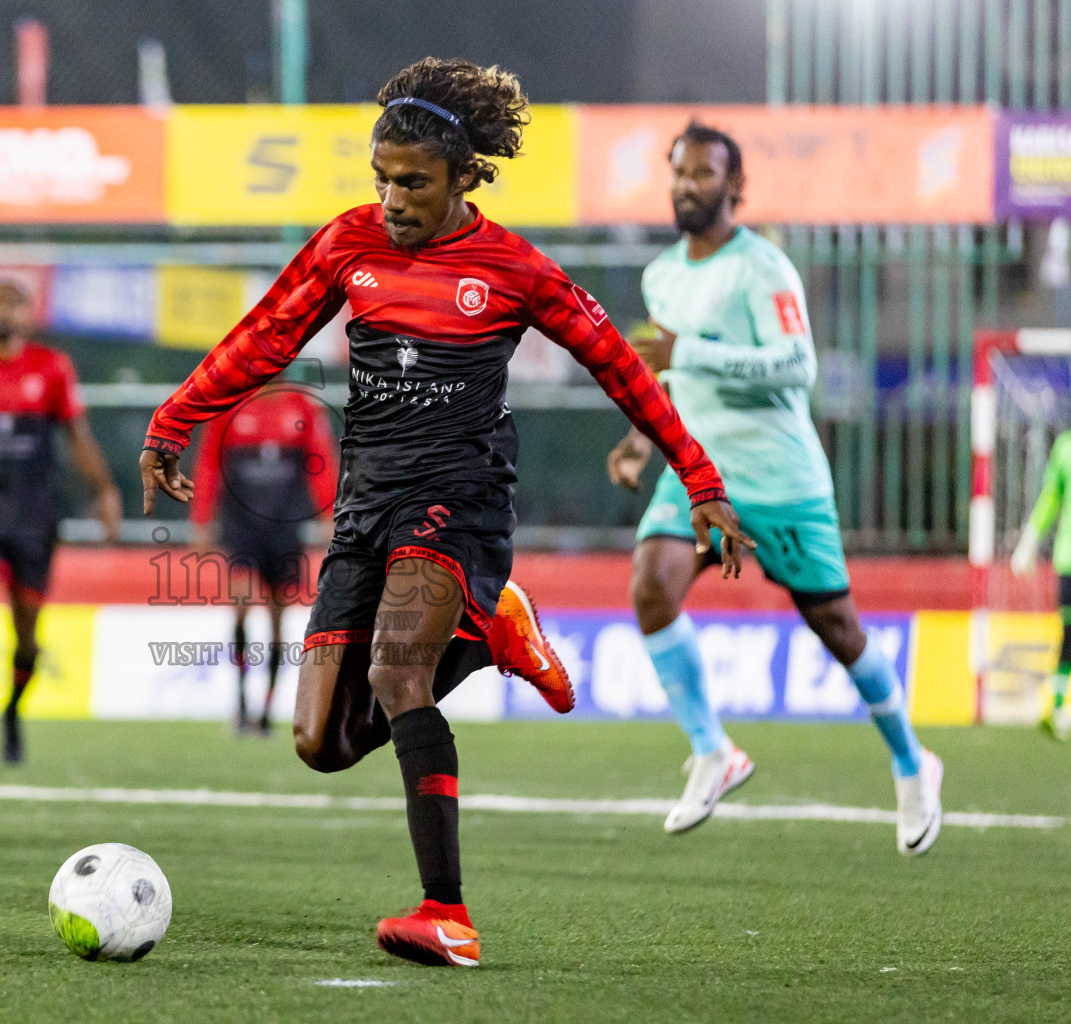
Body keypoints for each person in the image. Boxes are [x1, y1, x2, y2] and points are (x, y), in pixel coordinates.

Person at [140, 58, 747, 967]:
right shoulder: (348, 245)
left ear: (467, 177)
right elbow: (264, 336)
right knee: (321, 742)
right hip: (365, 502)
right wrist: (175, 418)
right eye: (382, 179)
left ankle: (447, 913)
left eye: (413, 183)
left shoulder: (512, 268)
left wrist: (700, 478)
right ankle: (495, 631)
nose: (392, 199)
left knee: (395, 676)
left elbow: (619, 363)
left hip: (457, 496)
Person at [606, 121, 942, 854]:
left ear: (736, 186)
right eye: (679, 172)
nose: (687, 184)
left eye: (703, 173)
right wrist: (640, 439)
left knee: (838, 629)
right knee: (650, 584)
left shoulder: (764, 270)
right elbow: (669, 375)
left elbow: (797, 366)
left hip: (780, 476)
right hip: (700, 471)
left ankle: (914, 762)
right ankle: (712, 750)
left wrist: (688, 349)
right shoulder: (661, 275)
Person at [0, 280, 122, 769]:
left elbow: (77, 437)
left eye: (13, 304)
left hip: (34, 514)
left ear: (30, 314)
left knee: (25, 631)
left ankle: (10, 715)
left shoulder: (52, 368)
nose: (3, 312)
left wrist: (106, 492)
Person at [189, 379, 338, 736]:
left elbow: (322, 461)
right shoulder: (229, 405)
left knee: (277, 621)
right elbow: (209, 463)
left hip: (285, 526)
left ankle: (267, 710)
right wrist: (202, 519)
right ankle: (240, 703)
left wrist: (329, 515)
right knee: (239, 607)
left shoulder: (302, 407)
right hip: (241, 525)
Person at [1011, 428, 1071, 740]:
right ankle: (1058, 707)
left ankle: (1058, 706)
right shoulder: (1064, 447)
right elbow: (1051, 497)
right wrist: (1029, 539)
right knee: (1070, 633)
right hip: (1068, 559)